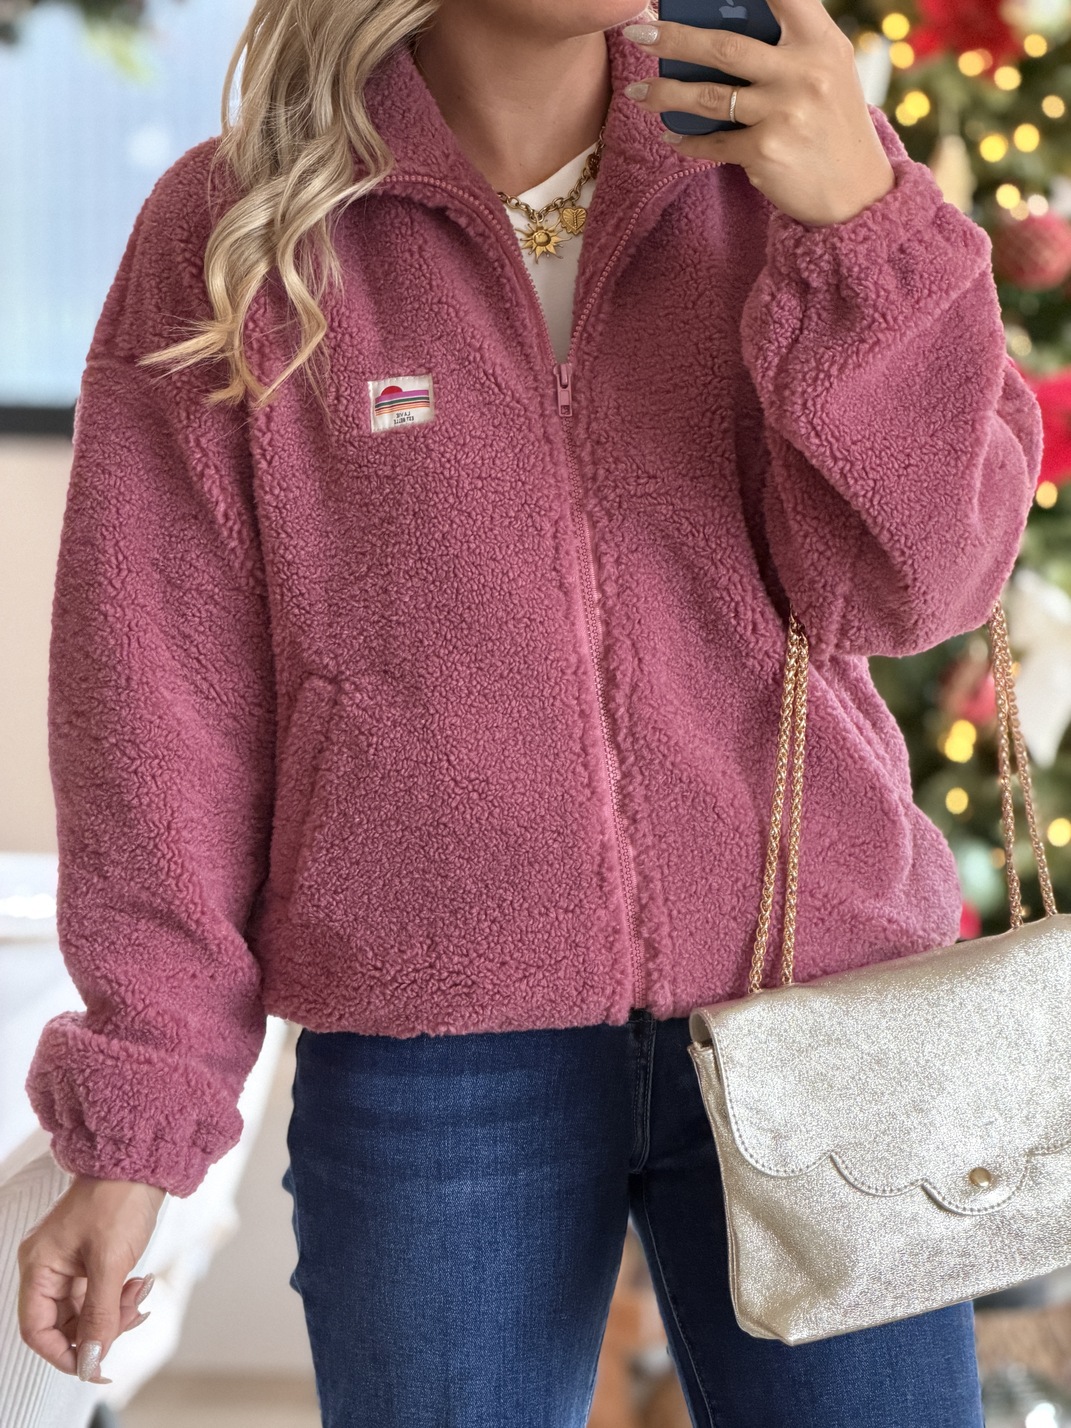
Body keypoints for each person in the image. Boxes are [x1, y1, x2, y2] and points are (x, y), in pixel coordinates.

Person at [17, 0, 1042, 1422]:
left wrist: (859, 231)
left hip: (820, 1006)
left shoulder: (785, 163)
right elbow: (158, 706)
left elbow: (924, 583)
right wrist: (140, 1115)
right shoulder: (237, 228)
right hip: (437, 1052)